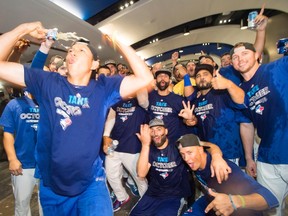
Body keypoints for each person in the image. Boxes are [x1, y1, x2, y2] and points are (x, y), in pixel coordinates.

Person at [0, 21, 154, 215]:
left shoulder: (103, 88)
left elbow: (145, 79)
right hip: (52, 186)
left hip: (90, 184)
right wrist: (22, 29)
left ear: (95, 64)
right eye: (70, 50)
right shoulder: (47, 82)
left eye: (81, 51)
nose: (72, 53)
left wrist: (120, 42)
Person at [230, 41, 288, 216]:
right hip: (266, 157)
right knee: (270, 209)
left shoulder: (279, 67)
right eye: (235, 57)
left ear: (257, 55)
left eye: (245, 53)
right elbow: (246, 124)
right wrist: (249, 158)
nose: (240, 59)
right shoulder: (240, 92)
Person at [130, 118, 230, 216]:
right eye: (152, 130)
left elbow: (209, 146)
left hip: (174, 196)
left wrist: (217, 157)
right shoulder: (148, 148)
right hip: (153, 194)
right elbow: (141, 174)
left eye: (159, 129)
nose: (155, 133)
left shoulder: (178, 145)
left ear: (166, 131)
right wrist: (145, 145)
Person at [177, 133, 279, 216]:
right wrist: (215, 152)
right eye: (183, 154)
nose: (186, 158)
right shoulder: (196, 163)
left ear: (200, 149)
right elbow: (206, 145)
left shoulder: (223, 169)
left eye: (189, 152)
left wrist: (234, 201)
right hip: (212, 200)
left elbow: (269, 198)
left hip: (239, 210)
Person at [0, 90, 41, 216]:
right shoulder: (14, 104)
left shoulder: (49, 102)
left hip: (46, 164)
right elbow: (8, 133)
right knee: (22, 205)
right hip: (23, 164)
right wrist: (12, 159)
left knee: (48, 204)